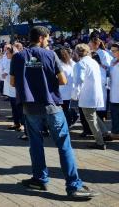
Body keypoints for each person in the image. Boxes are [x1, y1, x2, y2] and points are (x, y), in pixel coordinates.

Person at [10, 26, 98, 199]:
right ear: (42, 38)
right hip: (51, 106)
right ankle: (73, 186)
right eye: (48, 38)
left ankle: (39, 178)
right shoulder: (50, 55)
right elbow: (63, 80)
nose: (49, 40)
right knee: (64, 146)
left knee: (35, 145)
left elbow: (13, 82)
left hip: (30, 108)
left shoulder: (18, 57)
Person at [72, 44, 111, 150]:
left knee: (91, 119)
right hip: (96, 94)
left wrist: (74, 96)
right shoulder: (93, 62)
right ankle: (105, 133)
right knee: (94, 115)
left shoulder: (80, 64)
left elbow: (79, 80)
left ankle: (100, 142)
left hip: (87, 95)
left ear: (77, 53)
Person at [55, 48, 78, 126]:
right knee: (66, 108)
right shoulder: (69, 63)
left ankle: (67, 124)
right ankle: (73, 117)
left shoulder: (60, 65)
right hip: (68, 90)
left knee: (64, 110)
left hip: (62, 91)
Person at [109, 43, 119, 139]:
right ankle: (115, 132)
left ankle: (115, 133)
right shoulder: (113, 61)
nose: (112, 52)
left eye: (114, 51)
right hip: (113, 93)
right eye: (111, 50)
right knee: (114, 115)